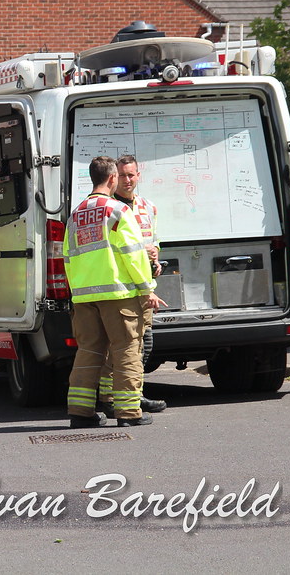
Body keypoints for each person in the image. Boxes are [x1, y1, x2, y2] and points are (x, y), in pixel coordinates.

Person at [63, 156, 159, 428]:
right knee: (128, 349)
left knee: (88, 352)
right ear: (113, 178)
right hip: (118, 296)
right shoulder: (117, 211)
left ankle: (80, 414)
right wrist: (146, 288)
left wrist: (77, 292)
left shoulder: (76, 213)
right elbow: (133, 254)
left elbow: (67, 257)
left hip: (83, 297)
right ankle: (129, 414)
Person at [96, 155, 168, 415]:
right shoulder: (109, 207)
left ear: (139, 175)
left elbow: (154, 239)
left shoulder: (148, 206)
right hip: (123, 287)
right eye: (123, 175)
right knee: (125, 346)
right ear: (114, 177)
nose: (128, 180)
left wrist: (155, 257)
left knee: (140, 344)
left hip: (145, 282)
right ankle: (113, 397)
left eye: (132, 175)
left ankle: (129, 394)